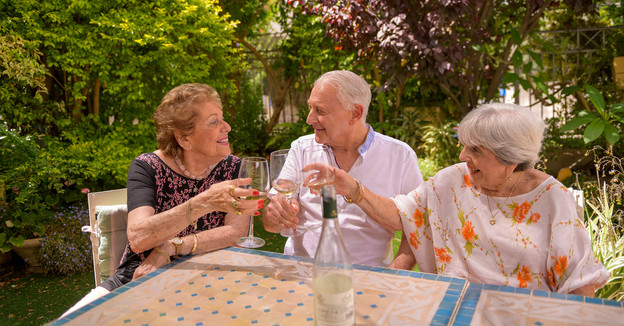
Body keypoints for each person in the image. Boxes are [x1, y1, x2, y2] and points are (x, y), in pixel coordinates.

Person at [323, 102, 608, 295]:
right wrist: (353, 189)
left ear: (510, 159)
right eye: (464, 146)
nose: (462, 157)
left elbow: (581, 282)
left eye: (475, 150)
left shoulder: (552, 199)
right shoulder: (453, 180)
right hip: (454, 309)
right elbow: (401, 215)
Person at [61, 83, 263, 317]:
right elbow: (139, 238)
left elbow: (236, 231)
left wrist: (172, 246)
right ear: (184, 138)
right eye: (213, 121)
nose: (226, 127)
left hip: (212, 276)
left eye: (223, 119)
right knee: (75, 319)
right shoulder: (147, 167)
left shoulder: (235, 167)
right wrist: (204, 202)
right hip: (143, 275)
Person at [262, 70, 423, 267]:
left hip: (368, 275)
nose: (309, 119)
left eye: (320, 111)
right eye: (310, 108)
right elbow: (270, 224)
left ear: (355, 113)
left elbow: (417, 226)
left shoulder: (400, 156)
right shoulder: (301, 149)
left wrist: (392, 276)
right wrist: (275, 213)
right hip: (301, 271)